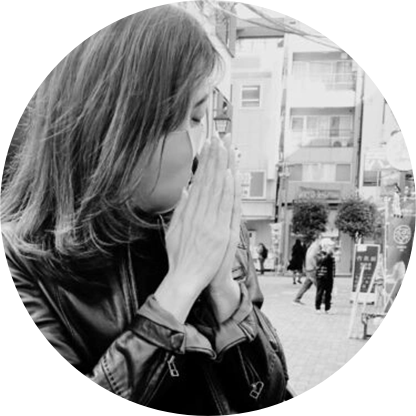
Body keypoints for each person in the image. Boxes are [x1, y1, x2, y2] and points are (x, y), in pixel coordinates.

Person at [0, 6, 289, 413]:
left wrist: (223, 288)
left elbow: (270, 391)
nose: (201, 151)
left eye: (203, 118)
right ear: (118, 132)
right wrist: (180, 287)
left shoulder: (211, 226)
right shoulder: (24, 260)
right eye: (193, 117)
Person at [293, 236, 322, 305]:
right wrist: (316, 266)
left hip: (309, 268)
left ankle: (297, 299)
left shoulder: (312, 247)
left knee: (306, 285)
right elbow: (312, 257)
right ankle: (323, 300)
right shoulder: (316, 247)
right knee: (319, 285)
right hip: (312, 269)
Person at [315, 239, 336, 314]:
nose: (332, 247)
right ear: (325, 245)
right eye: (330, 245)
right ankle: (318, 308)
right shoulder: (320, 254)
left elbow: (332, 266)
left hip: (329, 276)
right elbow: (321, 262)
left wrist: (333, 275)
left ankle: (327, 309)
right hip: (321, 276)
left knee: (328, 293)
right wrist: (328, 255)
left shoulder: (331, 255)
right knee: (320, 292)